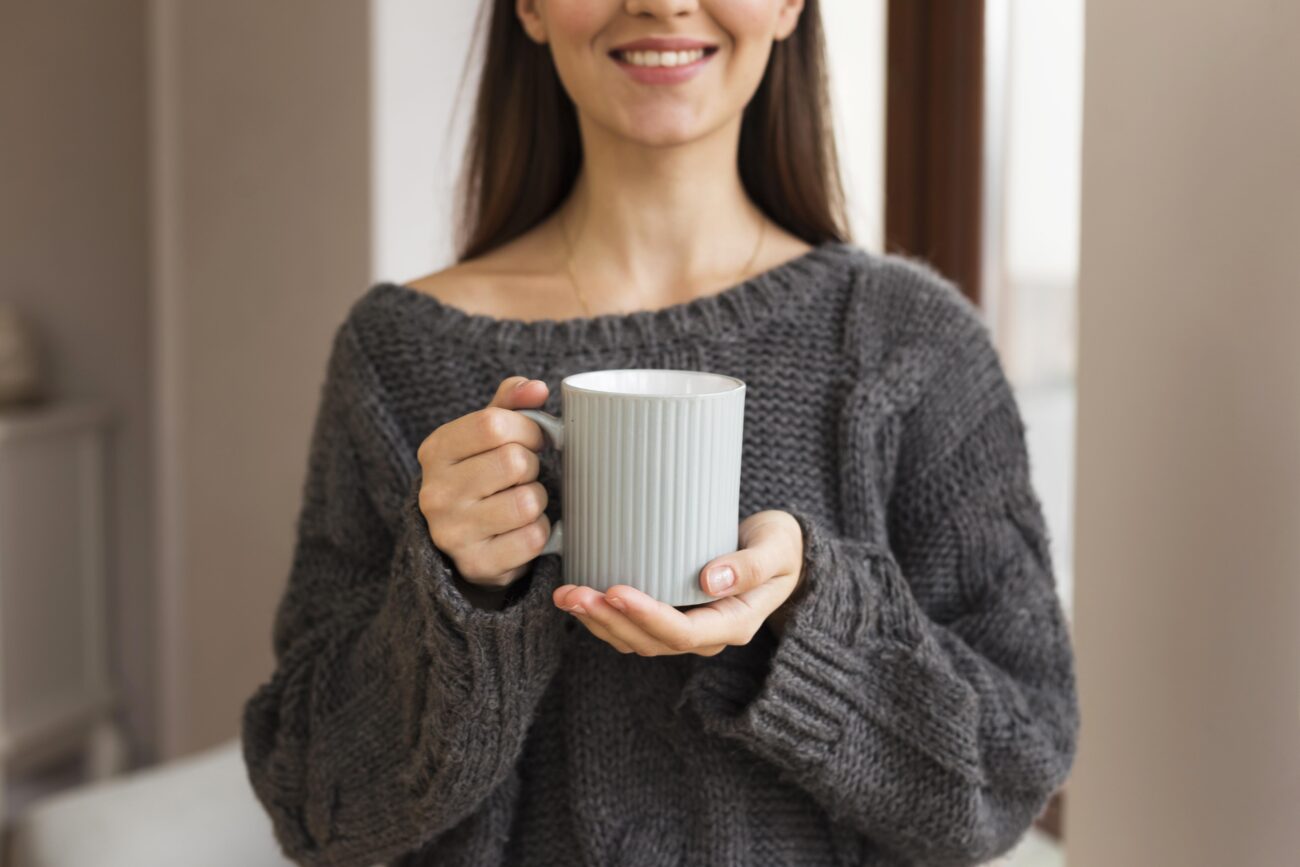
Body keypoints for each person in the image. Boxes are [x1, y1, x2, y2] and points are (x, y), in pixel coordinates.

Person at [240, 0, 1080, 865]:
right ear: (528, 7)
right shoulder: (398, 353)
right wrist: (459, 597)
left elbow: (1013, 767)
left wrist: (807, 611)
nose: (662, 1)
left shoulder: (912, 342)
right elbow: (312, 801)